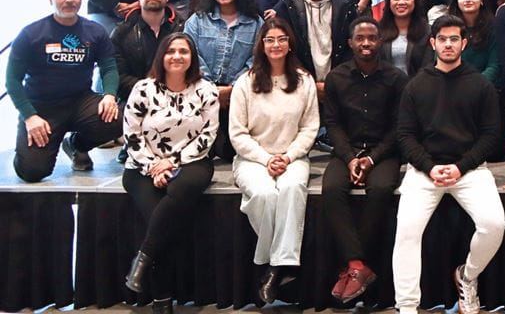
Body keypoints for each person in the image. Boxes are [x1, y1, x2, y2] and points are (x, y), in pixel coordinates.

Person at [393, 15, 505, 314]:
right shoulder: (415, 86)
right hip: (424, 172)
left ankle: (467, 277)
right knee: (406, 231)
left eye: (454, 39)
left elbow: (491, 135)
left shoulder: (480, 85)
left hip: (469, 170)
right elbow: (405, 136)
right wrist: (429, 167)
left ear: (464, 43)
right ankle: (406, 306)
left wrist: (462, 166)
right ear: (432, 43)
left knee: (495, 224)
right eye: (442, 39)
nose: (448, 44)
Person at [122, 33, 219, 314]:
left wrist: (173, 162)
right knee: (159, 222)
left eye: (184, 51)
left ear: (192, 58)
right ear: (161, 56)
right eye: (171, 51)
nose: (177, 56)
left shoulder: (206, 89)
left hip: (192, 162)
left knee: (176, 197)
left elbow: (208, 134)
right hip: (141, 167)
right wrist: (153, 165)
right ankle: (162, 300)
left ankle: (142, 259)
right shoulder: (143, 88)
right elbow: (131, 133)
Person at [229, 19, 319, 304]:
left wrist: (288, 156)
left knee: (292, 190)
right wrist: (267, 159)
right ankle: (280, 264)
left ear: (290, 43)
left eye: (281, 39)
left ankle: (273, 267)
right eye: (270, 40)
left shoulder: (304, 82)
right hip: (253, 158)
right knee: (265, 194)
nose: (276, 45)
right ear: (262, 45)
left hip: (293, 157)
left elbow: (309, 128)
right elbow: (237, 133)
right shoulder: (246, 82)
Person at [321, 17, 407, 303]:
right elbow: (332, 124)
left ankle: (353, 267)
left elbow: (399, 128)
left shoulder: (396, 79)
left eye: (372, 38)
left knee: (381, 189)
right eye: (360, 38)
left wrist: (371, 160)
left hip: (384, 152)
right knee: (331, 189)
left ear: (380, 42)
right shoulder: (336, 77)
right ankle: (359, 265)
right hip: (347, 149)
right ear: (351, 43)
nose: (366, 43)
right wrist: (349, 158)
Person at [7, 0, 120, 181]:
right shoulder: (31, 34)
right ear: (51, 0)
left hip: (80, 102)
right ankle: (29, 148)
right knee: (32, 171)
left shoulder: (95, 31)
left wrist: (110, 95)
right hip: (42, 109)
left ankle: (76, 145)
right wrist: (29, 116)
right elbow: (12, 81)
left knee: (117, 118)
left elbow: (109, 67)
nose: (69, 0)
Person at [183, 0, 263, 160]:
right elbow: (190, 54)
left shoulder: (255, 23)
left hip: (241, 95)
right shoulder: (197, 20)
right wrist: (212, 89)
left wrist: (233, 88)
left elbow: (257, 59)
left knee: (229, 151)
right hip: (201, 94)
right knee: (202, 152)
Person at [273, 0, 358, 87]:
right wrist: (308, 83)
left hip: (339, 85)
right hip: (299, 85)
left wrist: (335, 82)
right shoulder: (287, 8)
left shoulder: (347, 7)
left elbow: (351, 50)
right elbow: (285, 51)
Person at [112, 0, 186, 104]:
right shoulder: (121, 33)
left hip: (177, 99)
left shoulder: (183, 29)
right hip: (135, 99)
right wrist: (152, 91)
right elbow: (118, 77)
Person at [448, 0, 500, 84]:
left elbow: (495, 65)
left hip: (484, 87)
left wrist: (474, 86)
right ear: (456, 0)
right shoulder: (447, 27)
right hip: (452, 86)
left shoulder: (494, 26)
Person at [379, 0, 431, 76]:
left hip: (417, 87)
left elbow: (428, 67)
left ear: (415, 0)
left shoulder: (427, 31)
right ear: (389, 1)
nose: (401, 2)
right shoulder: (378, 31)